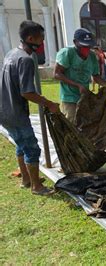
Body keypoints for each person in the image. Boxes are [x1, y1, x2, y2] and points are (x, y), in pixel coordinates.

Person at [0, 20, 59, 195]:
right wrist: (50, 104)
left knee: (21, 145)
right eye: (41, 39)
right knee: (32, 148)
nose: (42, 44)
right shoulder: (25, 60)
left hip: (4, 111)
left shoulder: (11, 53)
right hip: (15, 112)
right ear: (30, 38)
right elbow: (27, 92)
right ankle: (37, 187)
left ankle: (26, 179)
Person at [54, 28, 106, 122]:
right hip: (69, 98)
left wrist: (105, 85)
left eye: (88, 46)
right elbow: (56, 74)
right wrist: (77, 85)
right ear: (75, 42)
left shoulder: (92, 56)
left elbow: (95, 76)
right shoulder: (67, 53)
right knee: (71, 126)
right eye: (83, 46)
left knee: (85, 126)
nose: (86, 49)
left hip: (84, 98)